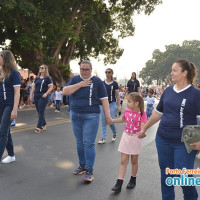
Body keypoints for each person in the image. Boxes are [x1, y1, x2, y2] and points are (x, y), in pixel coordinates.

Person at [138, 59, 200, 200]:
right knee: (166, 175)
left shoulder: (196, 94)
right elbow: (158, 113)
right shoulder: (168, 91)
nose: (171, 73)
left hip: (184, 142)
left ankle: (191, 197)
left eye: (174, 70)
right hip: (163, 140)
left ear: (184, 73)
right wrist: (145, 127)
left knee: (184, 175)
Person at [63, 60, 112, 182]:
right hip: (75, 115)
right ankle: (83, 166)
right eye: (82, 69)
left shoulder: (97, 81)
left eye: (87, 69)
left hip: (91, 116)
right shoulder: (75, 80)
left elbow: (104, 99)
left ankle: (89, 170)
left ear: (91, 69)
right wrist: (80, 84)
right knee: (79, 142)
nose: (84, 72)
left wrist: (108, 116)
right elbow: (65, 91)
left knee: (88, 144)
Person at [111, 92, 147, 193]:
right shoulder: (127, 111)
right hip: (126, 137)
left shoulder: (142, 114)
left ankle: (133, 179)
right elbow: (122, 120)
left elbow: (143, 128)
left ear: (136, 103)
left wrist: (143, 133)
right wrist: (112, 120)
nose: (127, 103)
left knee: (134, 161)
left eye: (129, 101)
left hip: (135, 139)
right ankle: (119, 183)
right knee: (123, 161)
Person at [0, 50, 21, 164]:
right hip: (1, 105)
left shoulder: (14, 73)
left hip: (9, 105)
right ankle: (11, 155)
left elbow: (17, 92)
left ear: (5, 58)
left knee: (2, 133)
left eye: (0, 57)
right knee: (6, 131)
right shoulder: (2, 73)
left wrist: (14, 110)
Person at [98, 68, 120, 144]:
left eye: (109, 72)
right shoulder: (102, 83)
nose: (107, 73)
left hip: (112, 104)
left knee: (110, 120)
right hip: (102, 104)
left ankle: (114, 133)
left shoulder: (115, 84)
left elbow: (117, 95)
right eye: (106, 72)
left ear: (111, 73)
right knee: (103, 121)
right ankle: (103, 138)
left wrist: (118, 105)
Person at [30, 65, 53, 133]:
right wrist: (31, 95)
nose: (40, 68)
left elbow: (51, 87)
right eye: (39, 67)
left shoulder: (47, 78)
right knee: (39, 111)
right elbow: (33, 87)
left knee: (41, 110)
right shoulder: (37, 78)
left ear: (45, 69)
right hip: (36, 95)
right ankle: (44, 123)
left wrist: (46, 93)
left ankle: (39, 126)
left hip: (43, 96)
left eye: (42, 67)